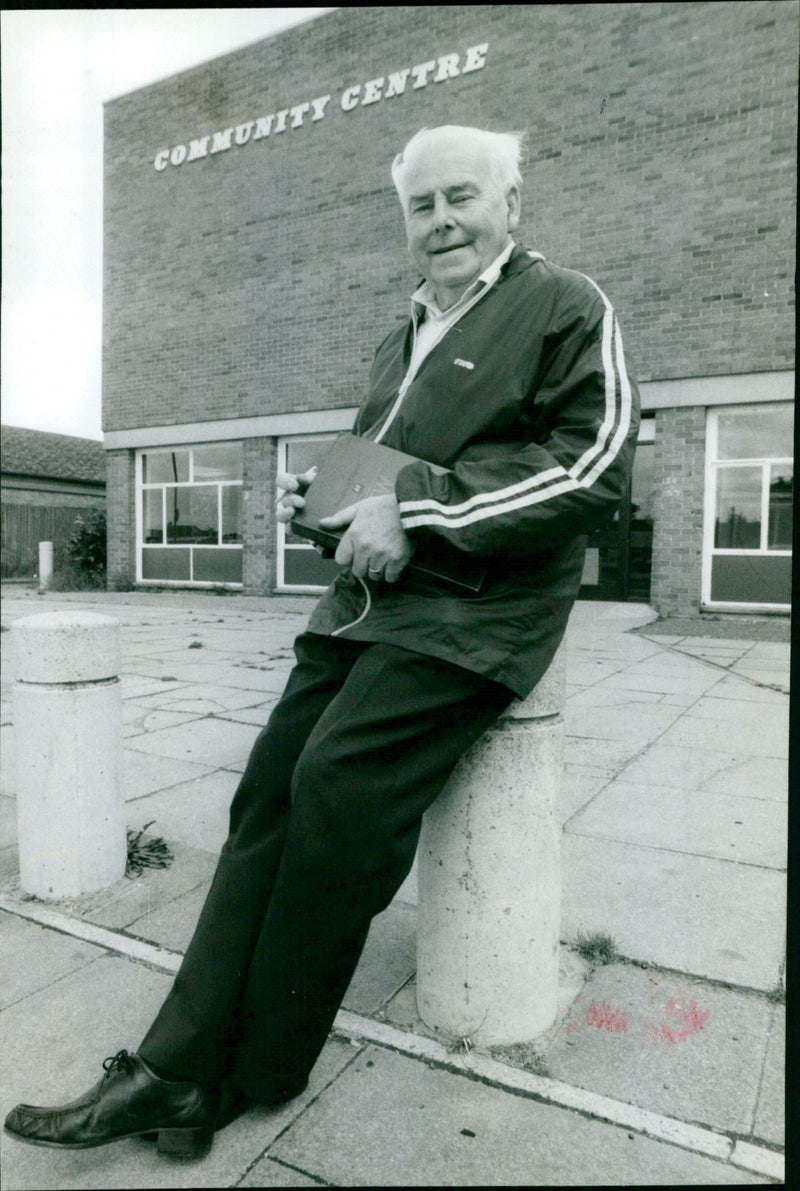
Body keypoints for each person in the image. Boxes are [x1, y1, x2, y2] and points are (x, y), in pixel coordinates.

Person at [4, 125, 639, 1159]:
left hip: (474, 617)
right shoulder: (402, 337)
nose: (441, 221)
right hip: (363, 606)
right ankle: (181, 1072)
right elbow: (379, 479)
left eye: (461, 197)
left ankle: (252, 1065)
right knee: (266, 795)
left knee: (336, 791)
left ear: (511, 205)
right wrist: (328, 499)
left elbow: (592, 468)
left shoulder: (566, 305)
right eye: (421, 205)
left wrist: (417, 510)